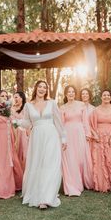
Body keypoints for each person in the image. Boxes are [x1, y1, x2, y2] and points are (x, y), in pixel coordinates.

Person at [14, 80, 67, 209]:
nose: (42, 89)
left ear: (46, 90)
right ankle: (38, 193)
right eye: (40, 87)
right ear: (35, 88)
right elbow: (27, 123)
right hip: (36, 137)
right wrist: (16, 122)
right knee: (38, 164)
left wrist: (63, 138)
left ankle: (47, 198)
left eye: (44, 87)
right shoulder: (28, 105)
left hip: (51, 135)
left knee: (50, 164)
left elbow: (59, 122)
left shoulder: (52, 103)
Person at [60, 85, 93, 195]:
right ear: (66, 94)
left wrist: (87, 134)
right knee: (70, 159)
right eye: (69, 92)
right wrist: (62, 138)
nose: (71, 93)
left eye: (73, 92)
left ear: (75, 93)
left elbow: (85, 121)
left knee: (80, 159)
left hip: (80, 133)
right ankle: (72, 184)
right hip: (68, 134)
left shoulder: (81, 105)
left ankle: (82, 181)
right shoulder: (62, 107)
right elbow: (61, 124)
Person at [0, 95, 23, 198]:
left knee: (9, 161)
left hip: (8, 137)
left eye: (5, 97)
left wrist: (16, 139)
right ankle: (1, 189)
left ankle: (11, 186)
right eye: (1, 96)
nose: (3, 98)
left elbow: (15, 125)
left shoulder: (9, 111)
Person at [90, 89, 111, 192]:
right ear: (101, 97)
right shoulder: (95, 110)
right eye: (104, 95)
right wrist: (95, 135)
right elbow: (91, 125)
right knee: (99, 160)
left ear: (110, 98)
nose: (106, 96)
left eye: (108, 95)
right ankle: (100, 184)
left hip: (110, 137)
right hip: (99, 137)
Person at [11, 91, 29, 170]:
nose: (15, 99)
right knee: (16, 154)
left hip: (25, 133)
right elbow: (13, 123)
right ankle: (18, 176)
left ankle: (25, 173)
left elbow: (29, 122)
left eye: (16, 97)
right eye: (14, 97)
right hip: (15, 132)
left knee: (25, 155)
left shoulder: (26, 108)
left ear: (21, 98)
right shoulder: (12, 109)